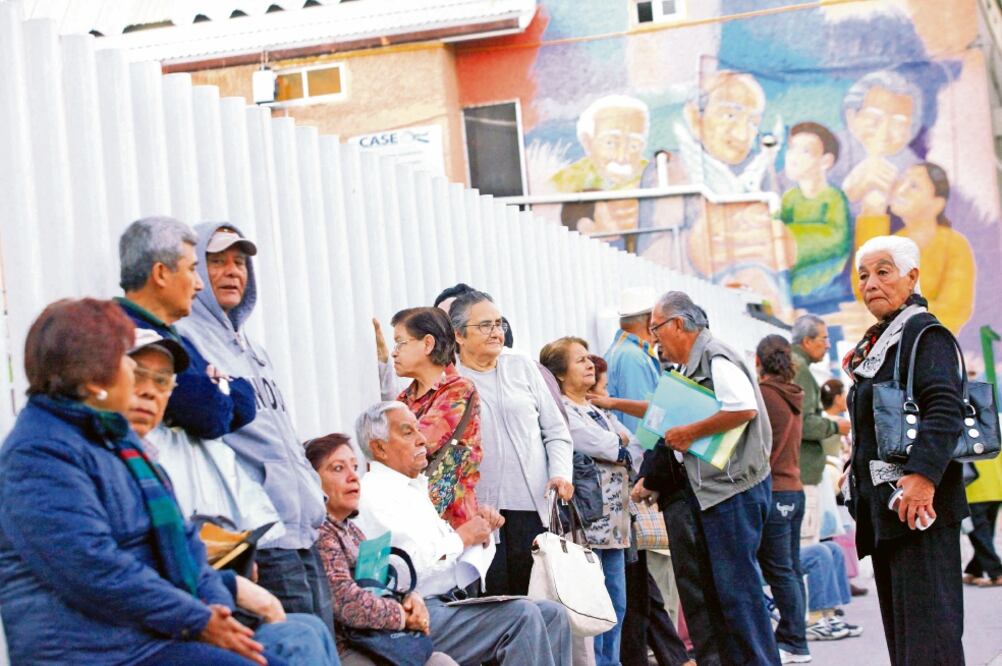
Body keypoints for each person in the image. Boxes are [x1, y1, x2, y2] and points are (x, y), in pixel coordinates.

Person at [0, 298, 280, 665]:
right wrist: (199, 621)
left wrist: (216, 609)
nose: (138, 380)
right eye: (127, 362)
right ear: (94, 376)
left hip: (149, 640)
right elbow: (93, 568)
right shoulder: (38, 453)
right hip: (96, 654)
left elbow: (185, 544)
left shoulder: (121, 444)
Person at [124, 328, 338, 665]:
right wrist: (217, 606)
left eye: (162, 381)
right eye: (138, 376)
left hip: (174, 620)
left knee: (309, 629)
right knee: (295, 640)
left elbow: (181, 553)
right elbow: (111, 574)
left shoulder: (147, 458)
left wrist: (224, 587)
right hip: (135, 641)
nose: (150, 391)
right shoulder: (94, 458)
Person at [177, 223, 331, 626]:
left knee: (320, 641)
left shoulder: (254, 348)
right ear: (196, 271)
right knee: (293, 642)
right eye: (217, 261)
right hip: (262, 532)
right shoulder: (187, 340)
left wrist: (312, 490)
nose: (233, 271)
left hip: (302, 528)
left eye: (240, 262)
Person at [351, 402, 573, 666]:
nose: (422, 439)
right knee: (521, 616)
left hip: (445, 603)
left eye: (418, 429)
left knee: (553, 614)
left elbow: (449, 563)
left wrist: (480, 533)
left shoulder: (413, 488)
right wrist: (462, 538)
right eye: (408, 432)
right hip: (414, 614)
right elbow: (402, 575)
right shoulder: (374, 495)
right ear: (379, 448)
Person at [635, 290, 778, 666]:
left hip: (734, 490)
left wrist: (690, 432)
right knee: (722, 595)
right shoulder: (691, 365)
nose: (655, 338)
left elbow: (743, 408)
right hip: (717, 492)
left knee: (739, 594)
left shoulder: (715, 356)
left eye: (656, 328)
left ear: (678, 324)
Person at [843, 235, 967, 665]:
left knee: (930, 640)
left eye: (883, 272)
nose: (871, 284)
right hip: (890, 513)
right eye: (863, 276)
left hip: (919, 510)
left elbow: (945, 409)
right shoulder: (882, 342)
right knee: (909, 643)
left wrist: (923, 477)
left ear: (911, 277)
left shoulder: (922, 332)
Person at [450, 290, 574, 596]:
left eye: (499, 323)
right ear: (459, 335)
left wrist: (560, 474)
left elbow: (556, 430)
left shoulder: (521, 365)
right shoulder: (450, 380)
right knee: (494, 602)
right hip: (481, 513)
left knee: (538, 599)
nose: (496, 332)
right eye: (485, 325)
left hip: (532, 507)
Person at [306, 434, 457, 666]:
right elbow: (347, 602)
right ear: (310, 481)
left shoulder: (351, 530)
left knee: (441, 662)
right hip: (347, 647)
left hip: (377, 638)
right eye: (338, 468)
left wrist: (411, 598)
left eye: (354, 467)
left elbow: (380, 584)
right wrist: (402, 615)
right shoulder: (319, 533)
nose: (352, 477)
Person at [117, 216, 258, 440]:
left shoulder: (178, 340)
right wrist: (222, 386)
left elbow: (247, 401)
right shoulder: (126, 335)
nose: (199, 285)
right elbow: (209, 415)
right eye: (192, 270)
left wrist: (215, 389)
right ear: (161, 274)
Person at [540, 337, 632, 666]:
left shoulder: (596, 409)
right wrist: (617, 444)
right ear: (560, 373)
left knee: (617, 602)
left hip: (616, 525)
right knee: (592, 605)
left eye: (588, 358)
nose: (590, 364)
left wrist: (618, 444)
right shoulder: (562, 411)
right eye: (579, 360)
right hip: (586, 524)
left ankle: (611, 661)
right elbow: (608, 445)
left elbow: (632, 445)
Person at [857, 162, 975, 334]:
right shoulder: (891, 245)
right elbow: (863, 288)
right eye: (900, 182)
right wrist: (872, 215)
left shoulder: (955, 245)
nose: (900, 190)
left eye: (913, 186)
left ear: (937, 204)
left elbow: (954, 310)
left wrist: (896, 314)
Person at [391, 306, 482, 527]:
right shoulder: (404, 398)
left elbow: (417, 444)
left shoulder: (458, 389)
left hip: (452, 523)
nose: (394, 352)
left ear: (428, 344)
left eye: (401, 343)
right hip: (412, 518)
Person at [754, 335, 809, 664]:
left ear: (758, 361)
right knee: (790, 569)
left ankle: (793, 640)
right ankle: (795, 637)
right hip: (795, 489)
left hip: (774, 490)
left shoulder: (763, 394)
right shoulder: (794, 393)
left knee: (780, 571)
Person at [550, 95, 650, 244]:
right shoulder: (562, 182)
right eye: (610, 143)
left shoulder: (651, 175)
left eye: (634, 145)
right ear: (587, 142)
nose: (622, 157)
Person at [779, 122, 852, 306]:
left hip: (826, 287)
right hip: (792, 284)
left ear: (825, 161)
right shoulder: (790, 197)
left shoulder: (834, 197)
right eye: (791, 149)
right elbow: (778, 226)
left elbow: (836, 238)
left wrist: (790, 237)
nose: (793, 157)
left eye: (805, 151)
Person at [819, 379, 867, 598]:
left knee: (838, 529)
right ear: (838, 397)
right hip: (834, 479)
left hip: (835, 477)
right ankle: (841, 580)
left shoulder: (827, 420)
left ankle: (843, 578)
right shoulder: (835, 424)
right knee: (835, 530)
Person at [791, 315, 850, 490]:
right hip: (804, 472)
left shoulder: (790, 364)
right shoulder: (799, 369)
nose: (828, 345)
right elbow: (803, 423)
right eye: (824, 339)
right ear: (807, 341)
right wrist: (836, 427)